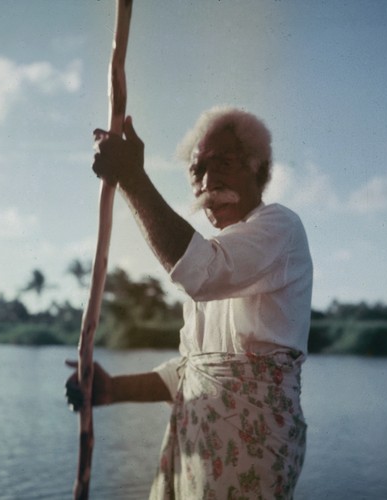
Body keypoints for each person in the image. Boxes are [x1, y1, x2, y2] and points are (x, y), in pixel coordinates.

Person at [65, 106, 313, 499]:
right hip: (198, 453)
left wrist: (131, 177)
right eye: (198, 171)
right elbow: (192, 374)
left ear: (259, 169)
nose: (209, 181)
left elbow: (201, 272)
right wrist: (111, 390)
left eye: (226, 163)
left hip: (251, 453)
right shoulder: (216, 260)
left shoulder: (278, 227)